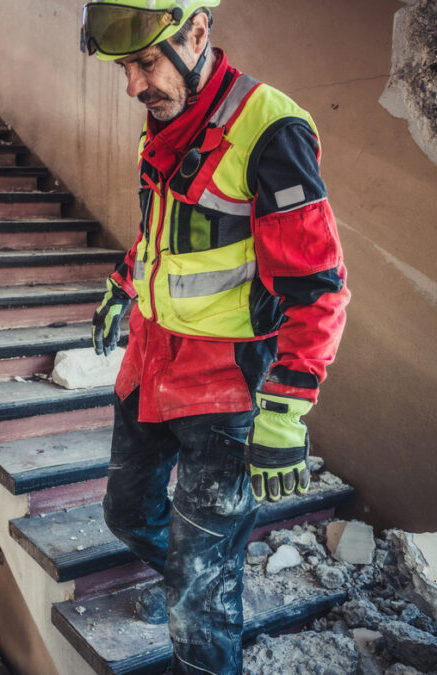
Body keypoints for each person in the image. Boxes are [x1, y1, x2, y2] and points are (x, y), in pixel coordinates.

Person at [83, 1, 350, 672]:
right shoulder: (164, 124)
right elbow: (163, 234)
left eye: (144, 63)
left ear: (198, 32)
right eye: (125, 69)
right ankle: (187, 572)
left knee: (200, 602)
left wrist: (287, 406)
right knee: (124, 514)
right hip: (150, 365)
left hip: (225, 392)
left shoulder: (270, 130)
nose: (134, 86)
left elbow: (317, 288)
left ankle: (199, 590)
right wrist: (123, 282)